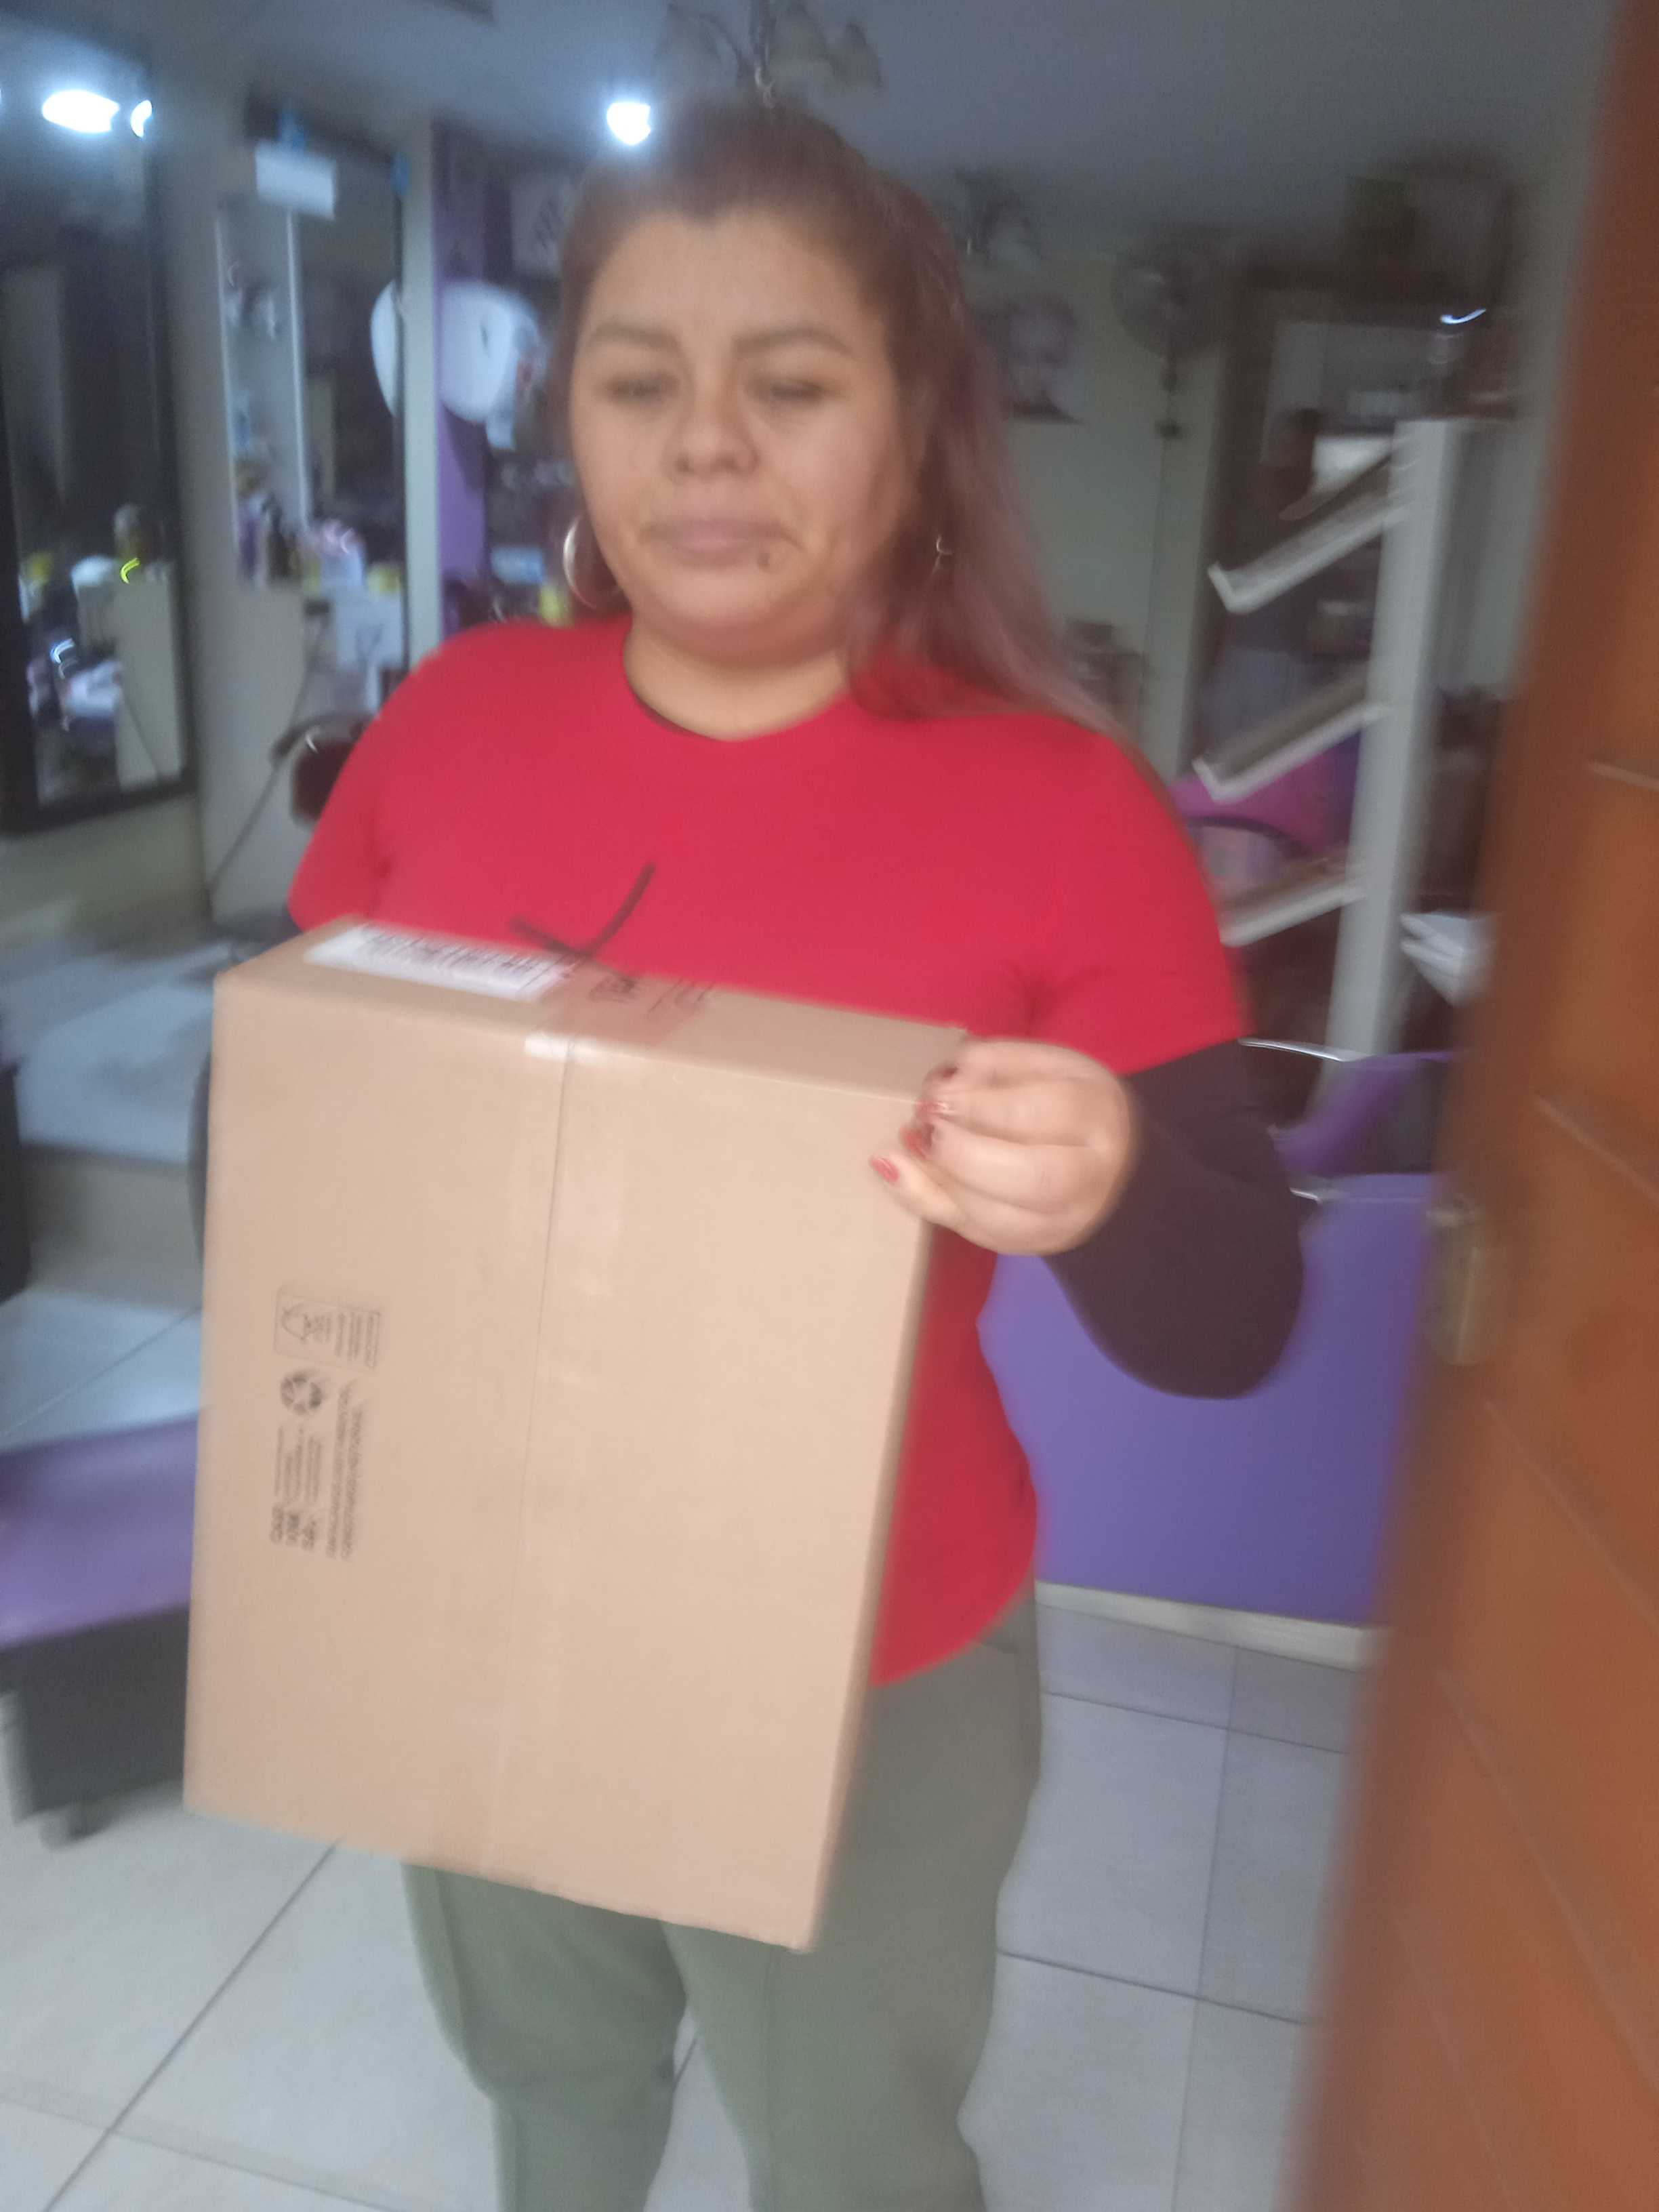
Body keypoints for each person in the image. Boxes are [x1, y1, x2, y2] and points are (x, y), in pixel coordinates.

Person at [285, 98, 1302, 2212]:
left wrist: (1111, 1175)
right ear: (569, 417)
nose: (707, 447)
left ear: (916, 431)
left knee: (852, 2154)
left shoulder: (1060, 810)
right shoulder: (454, 719)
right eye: (639, 382)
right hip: (491, 1588)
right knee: (552, 2087)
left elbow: (1235, 1321)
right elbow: (304, 1114)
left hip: (871, 1651)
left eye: (793, 385)